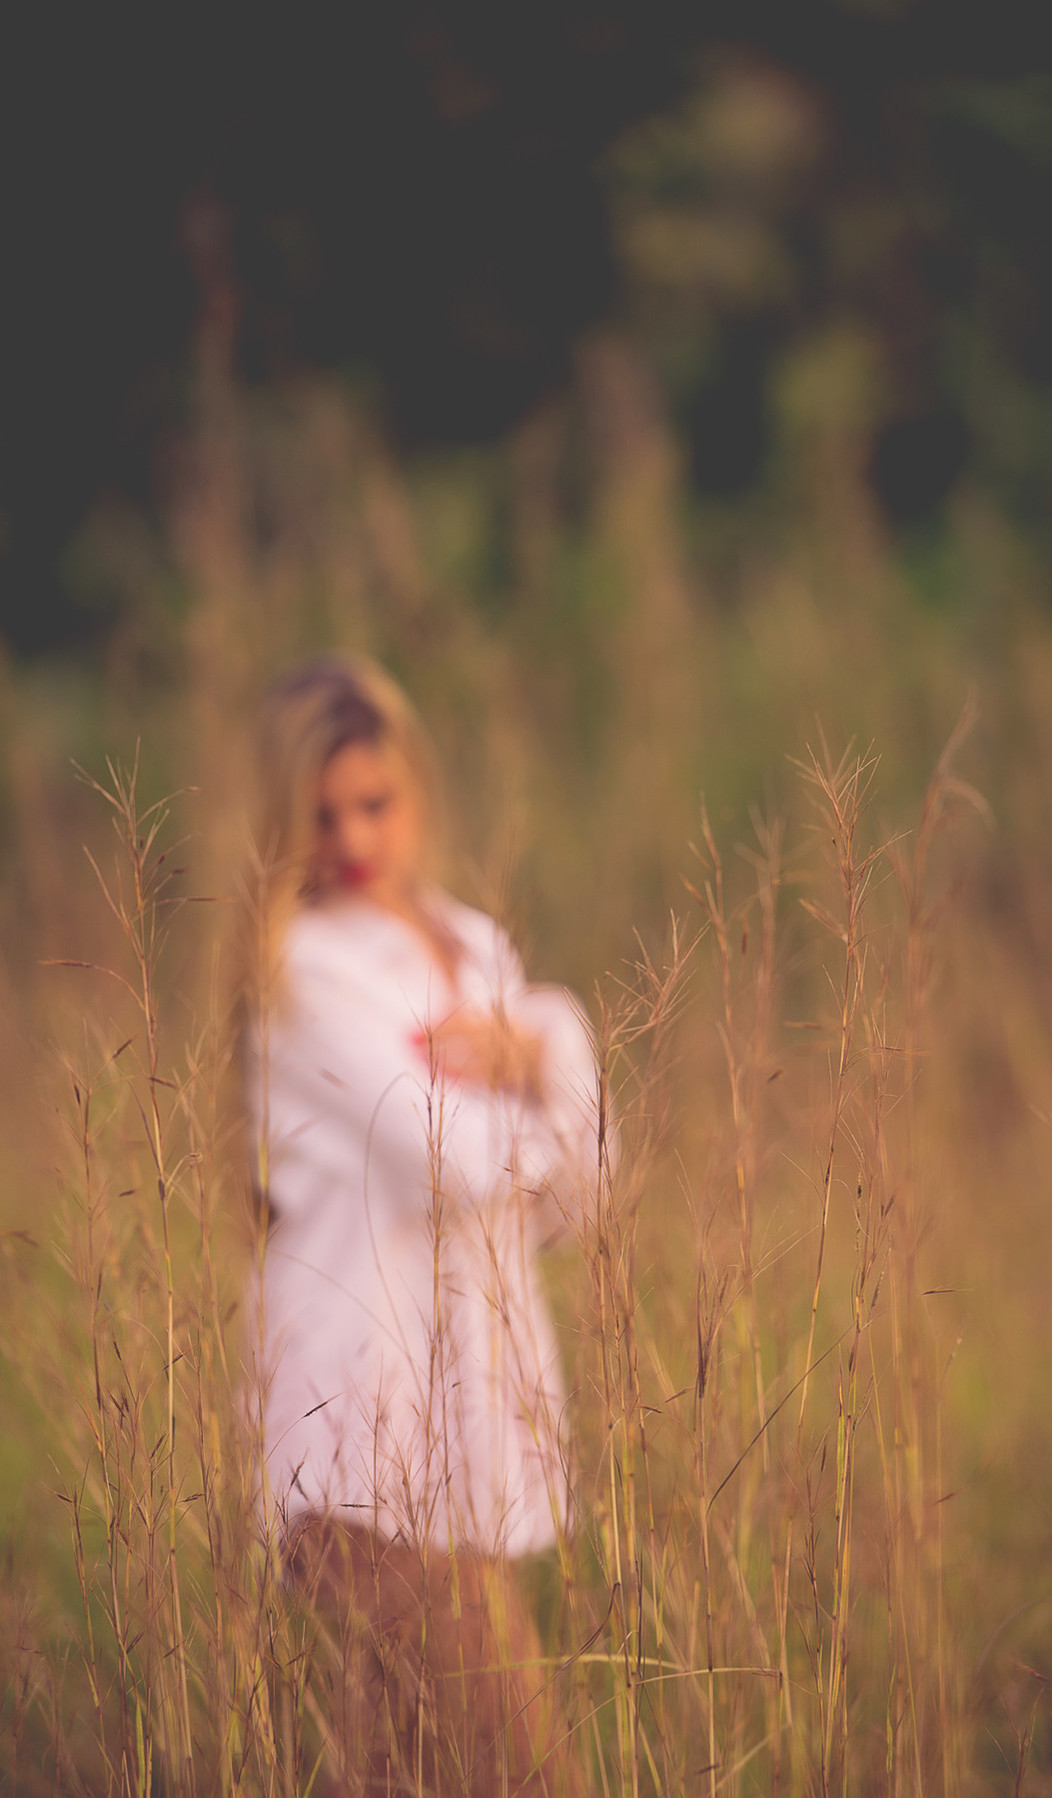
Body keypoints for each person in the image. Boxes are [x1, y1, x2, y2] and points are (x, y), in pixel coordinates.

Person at [239, 653, 603, 1795]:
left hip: (471, 1433)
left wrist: (553, 1042)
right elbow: (457, 1161)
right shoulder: (302, 971)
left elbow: (581, 1201)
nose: (352, 837)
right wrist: (553, 1080)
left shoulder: (476, 942)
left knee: (402, 1773)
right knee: (533, 1770)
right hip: (358, 1443)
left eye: (375, 803)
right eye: (322, 815)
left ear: (415, 790)